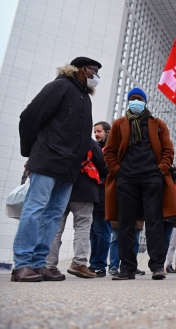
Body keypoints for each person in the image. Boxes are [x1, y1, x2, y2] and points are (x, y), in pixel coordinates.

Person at [13, 57, 100, 282]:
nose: (96, 77)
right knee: (35, 209)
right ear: (83, 70)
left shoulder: (85, 98)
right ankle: (22, 264)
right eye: (94, 72)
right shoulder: (60, 86)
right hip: (48, 160)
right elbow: (29, 117)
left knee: (53, 215)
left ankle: (39, 263)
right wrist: (32, 152)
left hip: (70, 167)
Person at [104, 87, 176, 281]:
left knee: (154, 222)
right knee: (125, 223)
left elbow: (168, 151)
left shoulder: (158, 124)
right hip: (126, 179)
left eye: (139, 99)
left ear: (145, 102)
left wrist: (161, 169)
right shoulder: (119, 124)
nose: (135, 101)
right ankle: (127, 268)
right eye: (132, 99)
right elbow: (109, 151)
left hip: (151, 179)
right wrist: (116, 171)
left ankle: (157, 267)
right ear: (128, 102)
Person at [46, 140, 107, 279]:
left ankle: (49, 265)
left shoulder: (60, 137)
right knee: (82, 226)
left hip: (60, 184)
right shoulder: (88, 141)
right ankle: (79, 263)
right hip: (84, 186)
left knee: (55, 227)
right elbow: (103, 164)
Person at [89, 121, 112, 277]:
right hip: (93, 192)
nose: (96, 134)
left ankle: (100, 265)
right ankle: (94, 263)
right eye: (95, 131)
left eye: (99, 131)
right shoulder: (96, 148)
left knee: (102, 229)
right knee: (93, 231)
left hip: (105, 192)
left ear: (107, 132)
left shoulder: (111, 149)